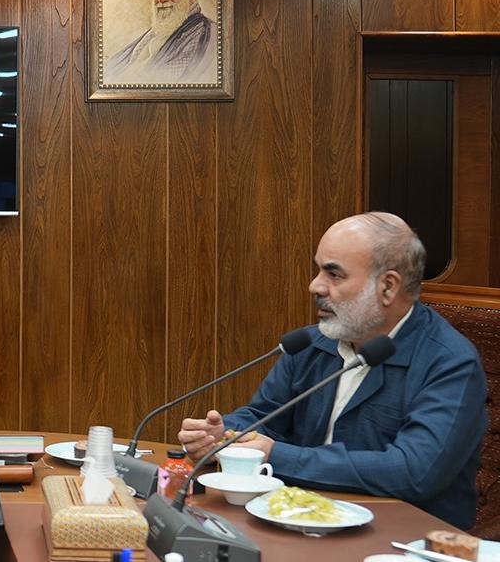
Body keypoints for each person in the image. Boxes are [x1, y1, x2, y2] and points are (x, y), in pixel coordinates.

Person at [177, 212, 486, 529]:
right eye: (318, 270)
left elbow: (414, 471)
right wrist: (222, 435)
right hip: (294, 519)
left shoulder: (450, 362)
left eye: (334, 274)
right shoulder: (312, 344)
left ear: (388, 287)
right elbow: (264, 417)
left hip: (403, 536)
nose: (315, 285)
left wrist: (277, 456)